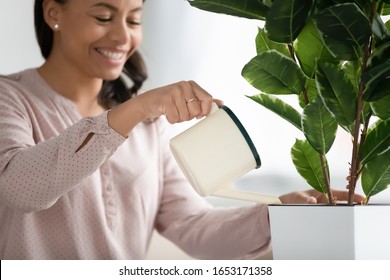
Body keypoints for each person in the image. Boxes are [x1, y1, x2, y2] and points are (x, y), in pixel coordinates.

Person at [0, 0, 364, 260]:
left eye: (134, 20)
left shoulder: (147, 128)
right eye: (103, 16)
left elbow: (192, 227)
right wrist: (134, 110)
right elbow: (20, 188)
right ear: (53, 12)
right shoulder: (10, 98)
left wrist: (278, 214)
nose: (121, 37)